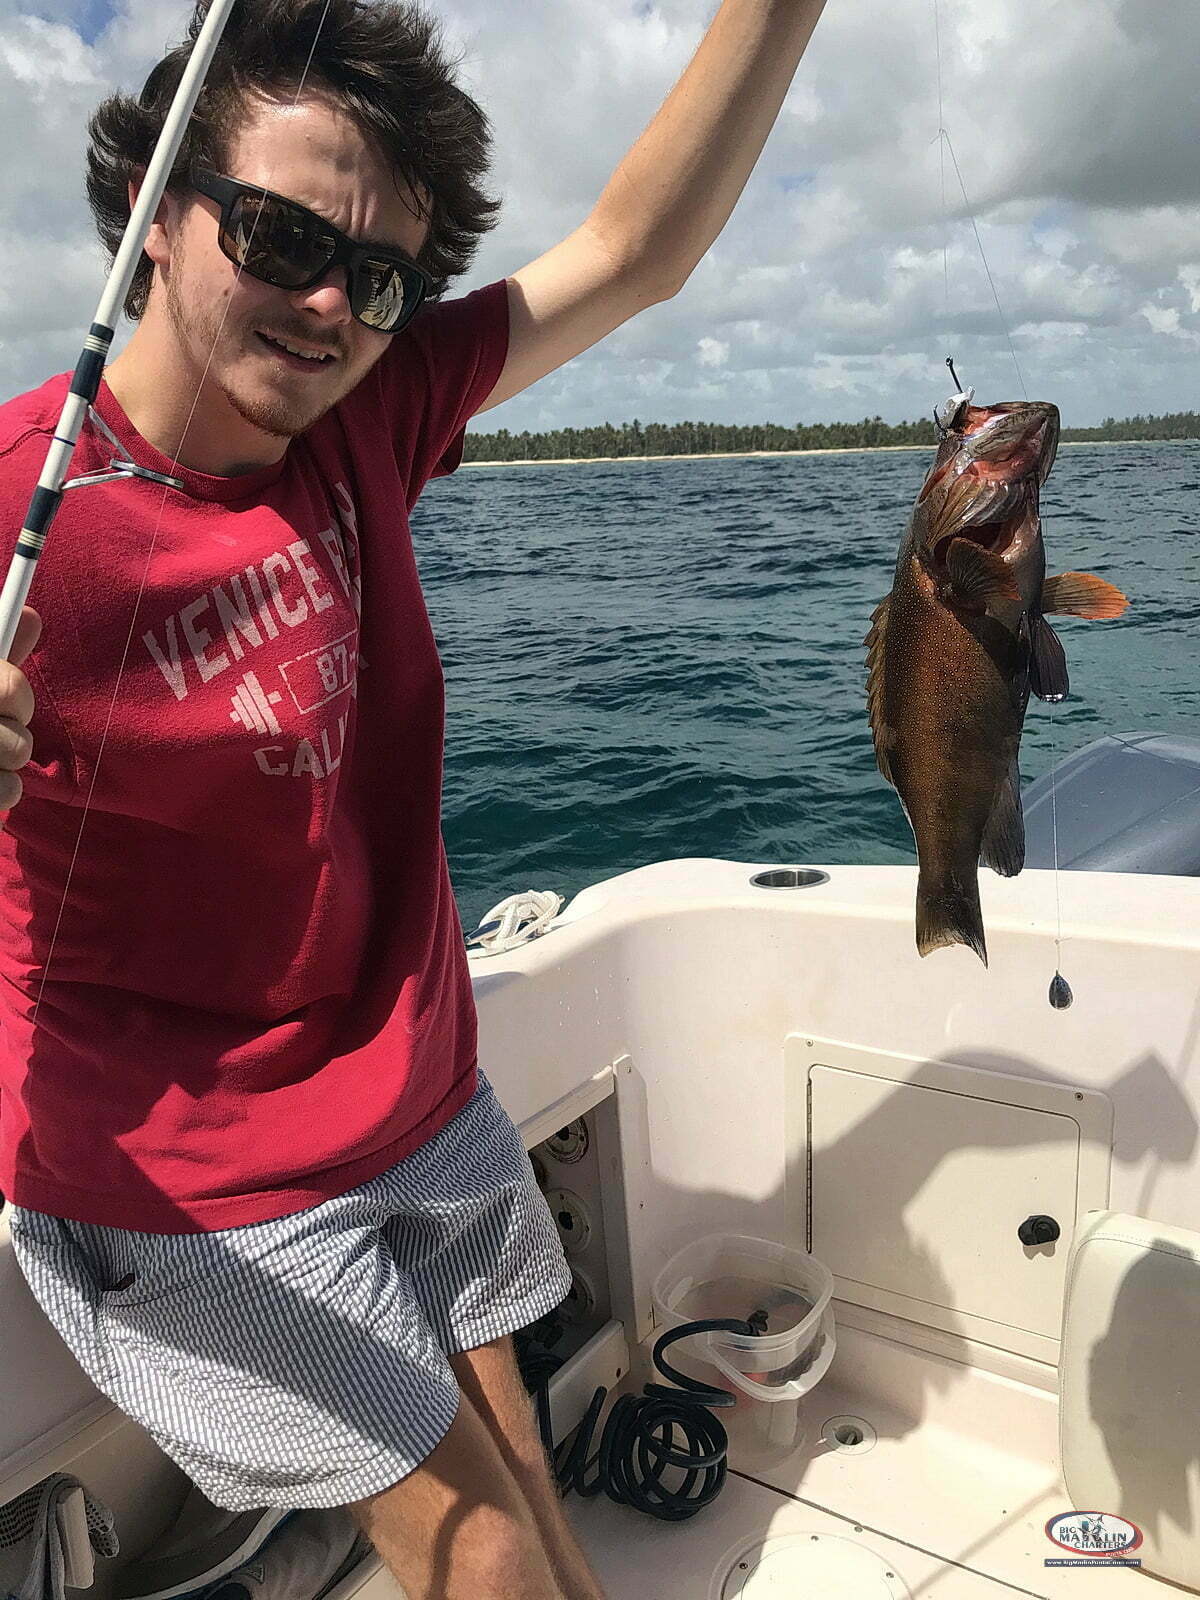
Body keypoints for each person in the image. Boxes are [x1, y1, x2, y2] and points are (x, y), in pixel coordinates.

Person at [0, 0, 826, 1594]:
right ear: (156, 215)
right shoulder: (30, 500)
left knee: (530, 1490)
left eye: (380, 279)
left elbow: (632, 254)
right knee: (488, 1555)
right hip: (193, 1174)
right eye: (281, 237)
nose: (331, 304)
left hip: (408, 1089)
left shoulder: (366, 410)